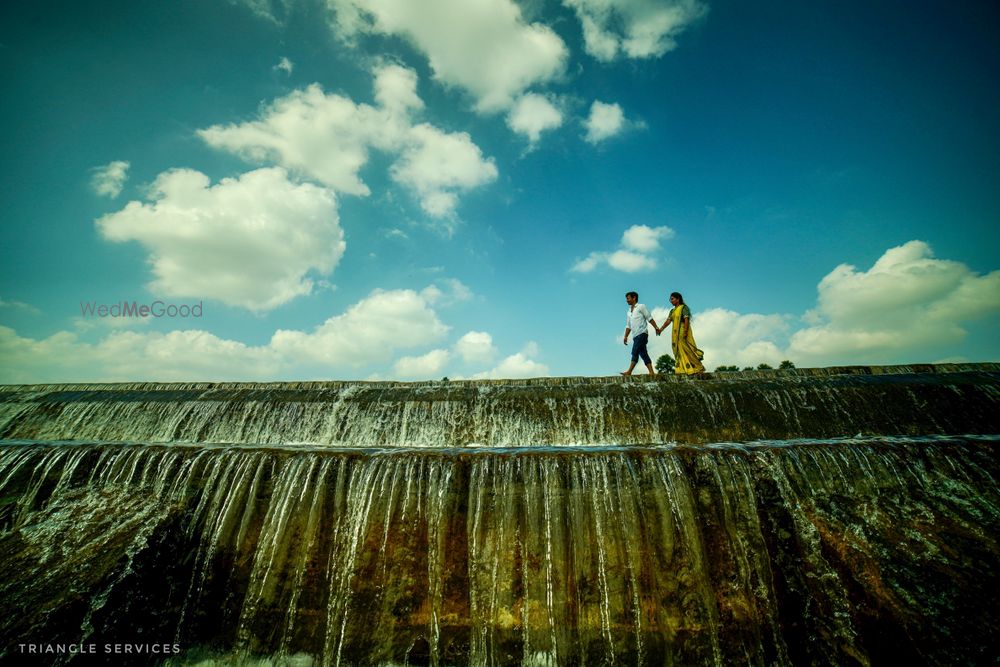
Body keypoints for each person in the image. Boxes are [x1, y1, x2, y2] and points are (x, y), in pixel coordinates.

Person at [655, 292, 705, 374]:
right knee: (678, 350)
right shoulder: (672, 311)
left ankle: (698, 367)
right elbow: (668, 321)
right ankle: (684, 369)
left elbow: (686, 319)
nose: (671, 301)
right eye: (670, 299)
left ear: (678, 299)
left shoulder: (684, 308)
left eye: (672, 299)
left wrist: (685, 331)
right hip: (675, 334)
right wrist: (660, 329)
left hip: (682, 331)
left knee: (687, 349)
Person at [621, 291, 659, 376]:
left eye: (628, 298)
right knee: (643, 353)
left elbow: (649, 317)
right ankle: (651, 372)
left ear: (634, 298)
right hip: (635, 335)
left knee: (635, 351)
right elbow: (628, 326)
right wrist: (625, 336)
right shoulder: (629, 312)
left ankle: (629, 371)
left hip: (642, 333)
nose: (627, 300)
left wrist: (656, 327)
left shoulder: (641, 306)